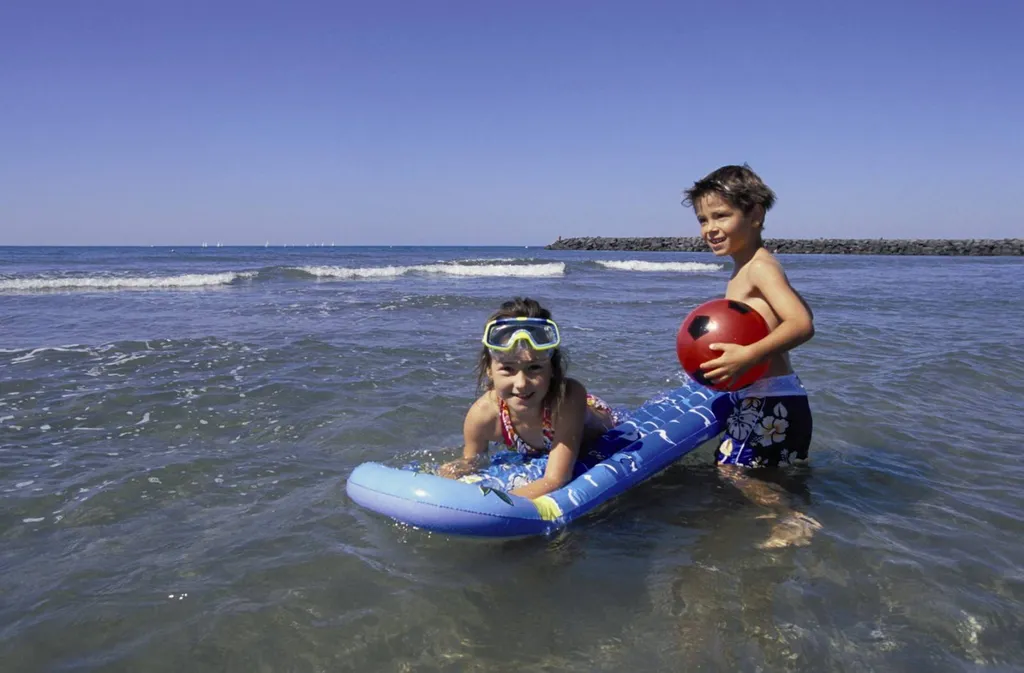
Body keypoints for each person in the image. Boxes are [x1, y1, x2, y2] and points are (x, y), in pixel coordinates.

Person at [681, 164, 820, 548]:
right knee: (764, 470)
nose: (709, 227)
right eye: (703, 219)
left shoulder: (759, 267)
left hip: (769, 398)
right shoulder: (752, 266)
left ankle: (794, 520)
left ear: (756, 214)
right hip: (777, 397)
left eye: (721, 215)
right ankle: (789, 512)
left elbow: (802, 323)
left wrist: (747, 356)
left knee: (731, 469)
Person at [438, 297, 617, 498]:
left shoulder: (567, 399)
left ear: (552, 369)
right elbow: (473, 460)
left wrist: (500, 504)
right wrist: (450, 476)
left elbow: (556, 479)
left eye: (534, 368)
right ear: (489, 370)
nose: (521, 383)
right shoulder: (482, 416)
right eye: (507, 369)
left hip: (602, 425)